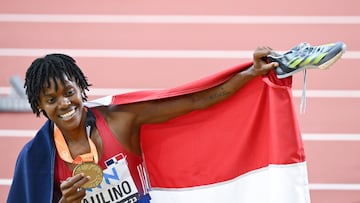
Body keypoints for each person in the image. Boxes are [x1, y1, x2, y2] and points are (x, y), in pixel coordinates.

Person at [7, 42, 345, 203]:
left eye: (68, 92)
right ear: (38, 105)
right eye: (51, 99)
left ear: (82, 88)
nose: (64, 104)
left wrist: (252, 72)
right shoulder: (37, 159)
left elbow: (196, 101)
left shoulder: (122, 120)